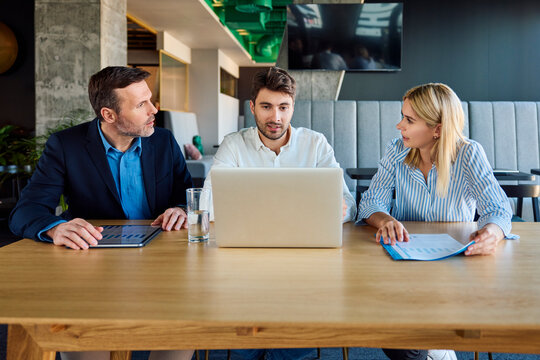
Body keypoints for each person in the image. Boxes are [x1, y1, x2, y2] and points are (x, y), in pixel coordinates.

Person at [9, 66, 194, 360]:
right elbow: (26, 211)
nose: (154, 109)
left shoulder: (163, 141)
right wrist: (56, 228)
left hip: (163, 268)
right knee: (81, 348)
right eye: (141, 104)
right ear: (109, 115)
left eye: (150, 99)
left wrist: (181, 209)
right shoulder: (66, 146)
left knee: (181, 338)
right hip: (91, 272)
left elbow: (188, 196)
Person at [203, 66, 356, 360]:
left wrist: (339, 209)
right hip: (241, 265)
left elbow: (348, 202)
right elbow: (209, 202)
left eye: (284, 107)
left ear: (292, 107)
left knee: (292, 347)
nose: (276, 117)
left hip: (304, 267)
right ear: (252, 107)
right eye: (266, 106)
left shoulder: (315, 143)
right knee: (242, 349)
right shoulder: (234, 144)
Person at [358, 83, 512, 360]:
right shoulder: (397, 150)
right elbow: (370, 202)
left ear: (438, 129)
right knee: (393, 333)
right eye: (402, 116)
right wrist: (386, 220)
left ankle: (436, 349)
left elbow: (498, 207)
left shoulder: (469, 153)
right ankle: (437, 350)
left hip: (455, 267)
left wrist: (492, 232)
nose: (399, 126)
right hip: (405, 263)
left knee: (406, 341)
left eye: (409, 120)